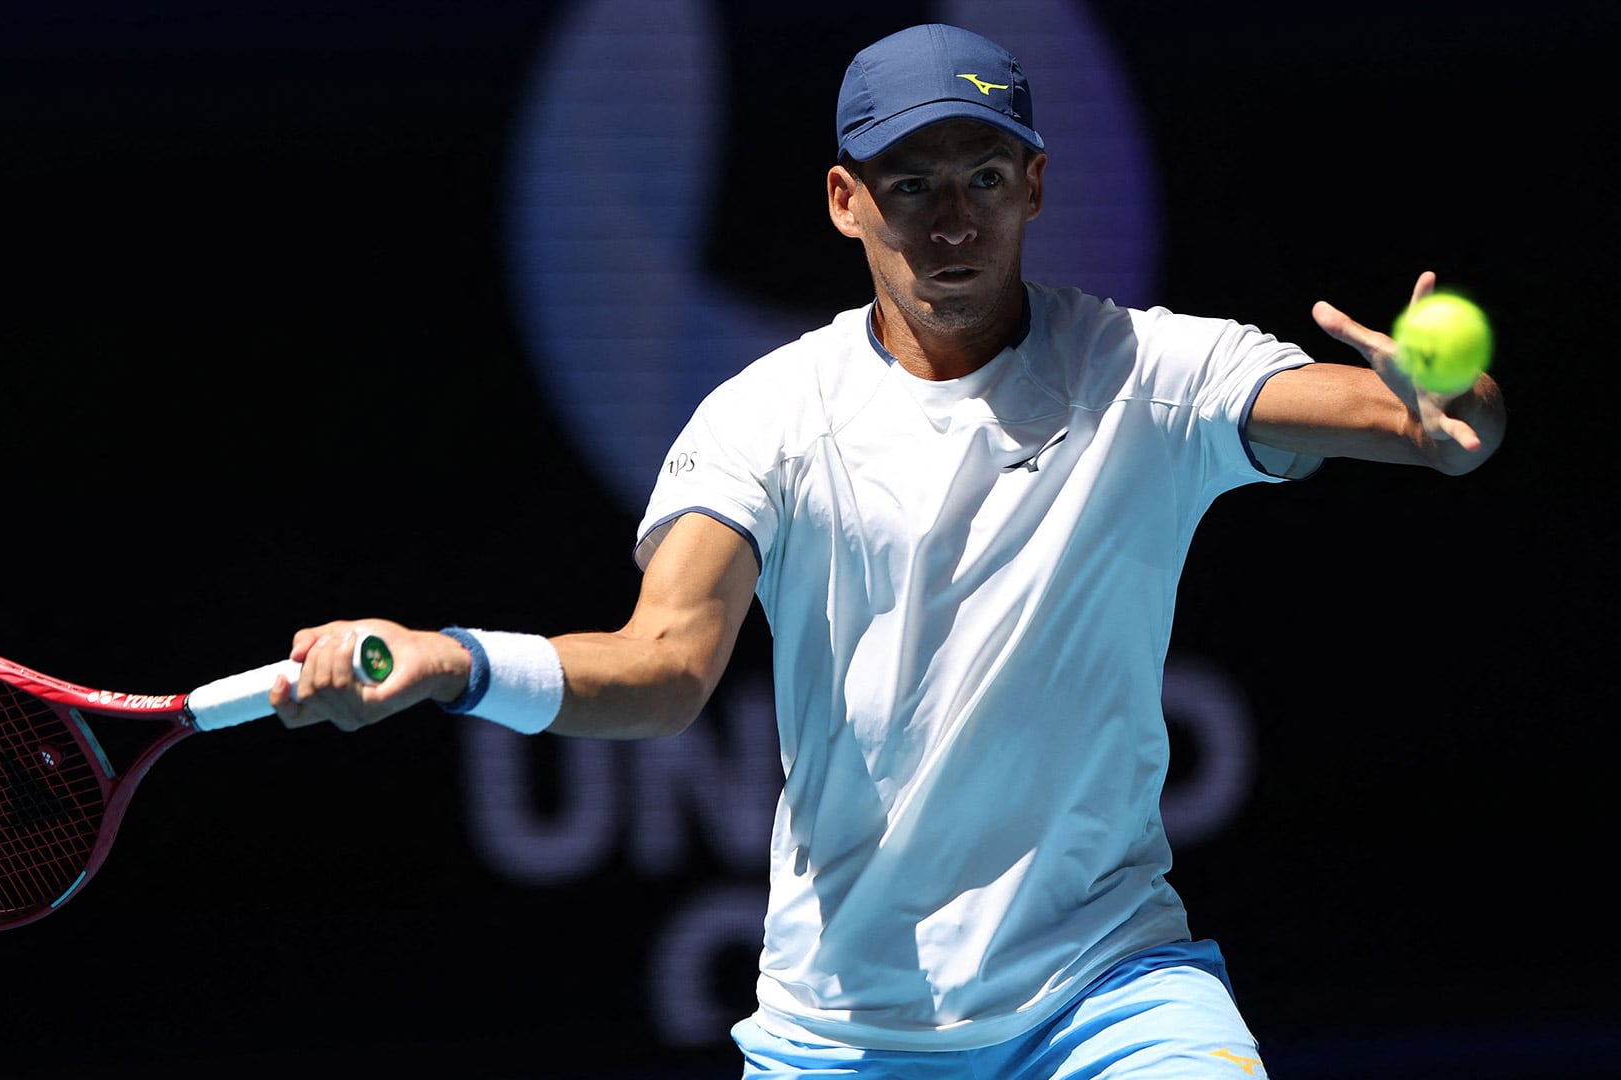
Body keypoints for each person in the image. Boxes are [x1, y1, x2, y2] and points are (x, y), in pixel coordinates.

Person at [269, 22, 1505, 1079]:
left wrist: (1453, 416)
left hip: (1106, 991)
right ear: (844, 199)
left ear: (1034, 184)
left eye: (981, 176)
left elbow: (1426, 431)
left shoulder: (1155, 373)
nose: (950, 221)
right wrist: (455, 660)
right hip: (843, 1030)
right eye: (910, 185)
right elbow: (661, 668)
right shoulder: (766, 417)